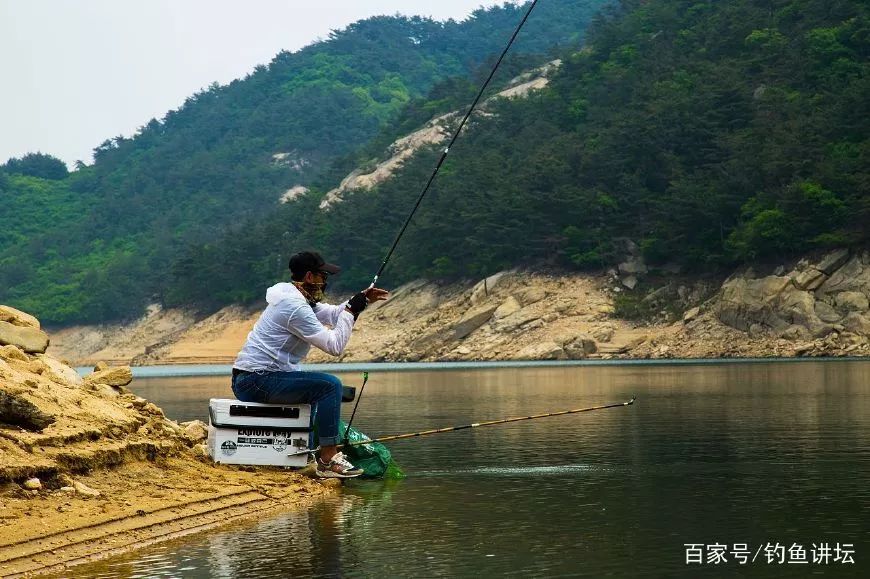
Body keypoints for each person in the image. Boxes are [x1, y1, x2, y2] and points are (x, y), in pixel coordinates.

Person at [231, 251, 389, 478]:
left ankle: (309, 455)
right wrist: (352, 310)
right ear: (309, 277)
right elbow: (334, 346)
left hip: (256, 378)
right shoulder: (294, 307)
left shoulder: (297, 299)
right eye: (322, 275)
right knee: (329, 385)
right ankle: (328, 459)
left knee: (319, 390)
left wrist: (361, 299)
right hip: (255, 380)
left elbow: (335, 314)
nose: (325, 281)